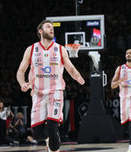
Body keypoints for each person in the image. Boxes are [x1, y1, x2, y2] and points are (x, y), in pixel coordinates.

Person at [16, 20, 85, 152]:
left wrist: (78, 77)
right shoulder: (31, 49)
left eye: (52, 27)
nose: (51, 29)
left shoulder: (60, 49)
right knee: (36, 134)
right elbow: (20, 71)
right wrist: (22, 83)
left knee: (52, 128)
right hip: (37, 94)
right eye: (48, 27)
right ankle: (49, 139)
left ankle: (53, 141)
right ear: (40, 31)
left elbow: (70, 68)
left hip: (56, 92)